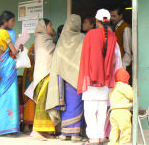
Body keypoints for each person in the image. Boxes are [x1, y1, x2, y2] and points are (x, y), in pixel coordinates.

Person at [77, 9, 121, 145]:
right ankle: (101, 136)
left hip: (92, 79)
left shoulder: (90, 34)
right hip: (106, 79)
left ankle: (93, 138)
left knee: (90, 111)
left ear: (96, 21)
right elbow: (115, 59)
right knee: (102, 110)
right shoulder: (113, 36)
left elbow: (86, 57)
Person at [46, 14, 85, 141]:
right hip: (77, 77)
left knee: (65, 105)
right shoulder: (82, 38)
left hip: (63, 79)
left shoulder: (62, 39)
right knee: (76, 103)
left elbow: (57, 61)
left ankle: (63, 133)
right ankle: (74, 134)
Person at [0, 11, 21, 135]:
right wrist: (18, 48)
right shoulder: (4, 32)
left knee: (3, 95)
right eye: (12, 21)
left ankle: (1, 126)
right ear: (5, 21)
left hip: (0, 66)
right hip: (8, 65)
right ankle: (9, 127)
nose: (13, 23)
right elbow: (14, 52)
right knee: (10, 95)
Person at [29, 19, 56, 141]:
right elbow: (53, 54)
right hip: (44, 73)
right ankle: (36, 131)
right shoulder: (42, 38)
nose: (52, 27)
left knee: (46, 102)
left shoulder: (46, 38)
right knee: (42, 102)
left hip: (46, 72)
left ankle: (44, 130)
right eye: (50, 25)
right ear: (44, 27)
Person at [109, 68, 133, 145]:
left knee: (114, 129)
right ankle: (124, 143)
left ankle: (113, 142)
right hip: (123, 111)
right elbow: (132, 96)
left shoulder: (113, 87)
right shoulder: (124, 86)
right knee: (125, 128)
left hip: (113, 111)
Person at [110, 7, 132, 72]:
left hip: (121, 66)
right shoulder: (115, 28)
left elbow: (128, 51)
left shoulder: (126, 28)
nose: (112, 18)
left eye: (114, 16)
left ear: (121, 16)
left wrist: (123, 67)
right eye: (111, 16)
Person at [22, 43, 35, 133]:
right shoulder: (34, 46)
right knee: (29, 101)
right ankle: (27, 125)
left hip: (37, 76)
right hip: (30, 78)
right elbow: (30, 60)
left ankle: (34, 126)